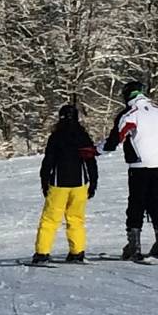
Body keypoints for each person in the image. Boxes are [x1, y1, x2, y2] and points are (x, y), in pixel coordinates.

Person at [101, 84, 158, 262]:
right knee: (155, 200)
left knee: (136, 203)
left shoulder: (130, 114)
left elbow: (116, 138)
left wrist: (96, 150)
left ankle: (134, 246)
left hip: (139, 166)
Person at [27, 103, 98, 266]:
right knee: (76, 219)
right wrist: (93, 182)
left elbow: (48, 162)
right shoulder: (83, 136)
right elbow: (90, 160)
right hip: (80, 184)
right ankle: (77, 252)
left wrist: (44, 182)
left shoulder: (56, 136)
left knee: (50, 219)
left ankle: (42, 253)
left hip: (59, 184)